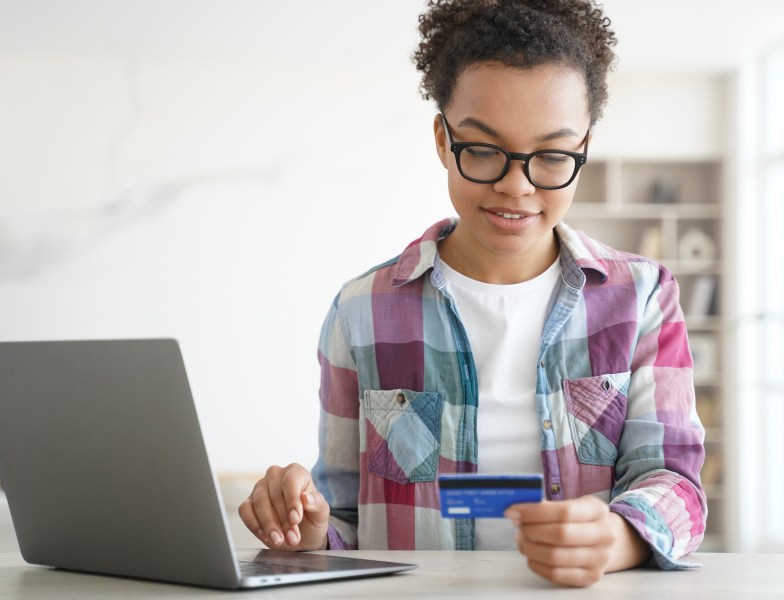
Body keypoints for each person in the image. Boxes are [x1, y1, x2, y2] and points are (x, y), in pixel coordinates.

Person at [239, 0, 707, 587]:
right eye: (483, 149)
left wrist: (617, 537)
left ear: (584, 148)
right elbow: (347, 520)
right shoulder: (361, 312)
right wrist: (309, 533)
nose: (517, 186)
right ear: (442, 138)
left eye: (553, 155)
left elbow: (677, 488)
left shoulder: (640, 297)